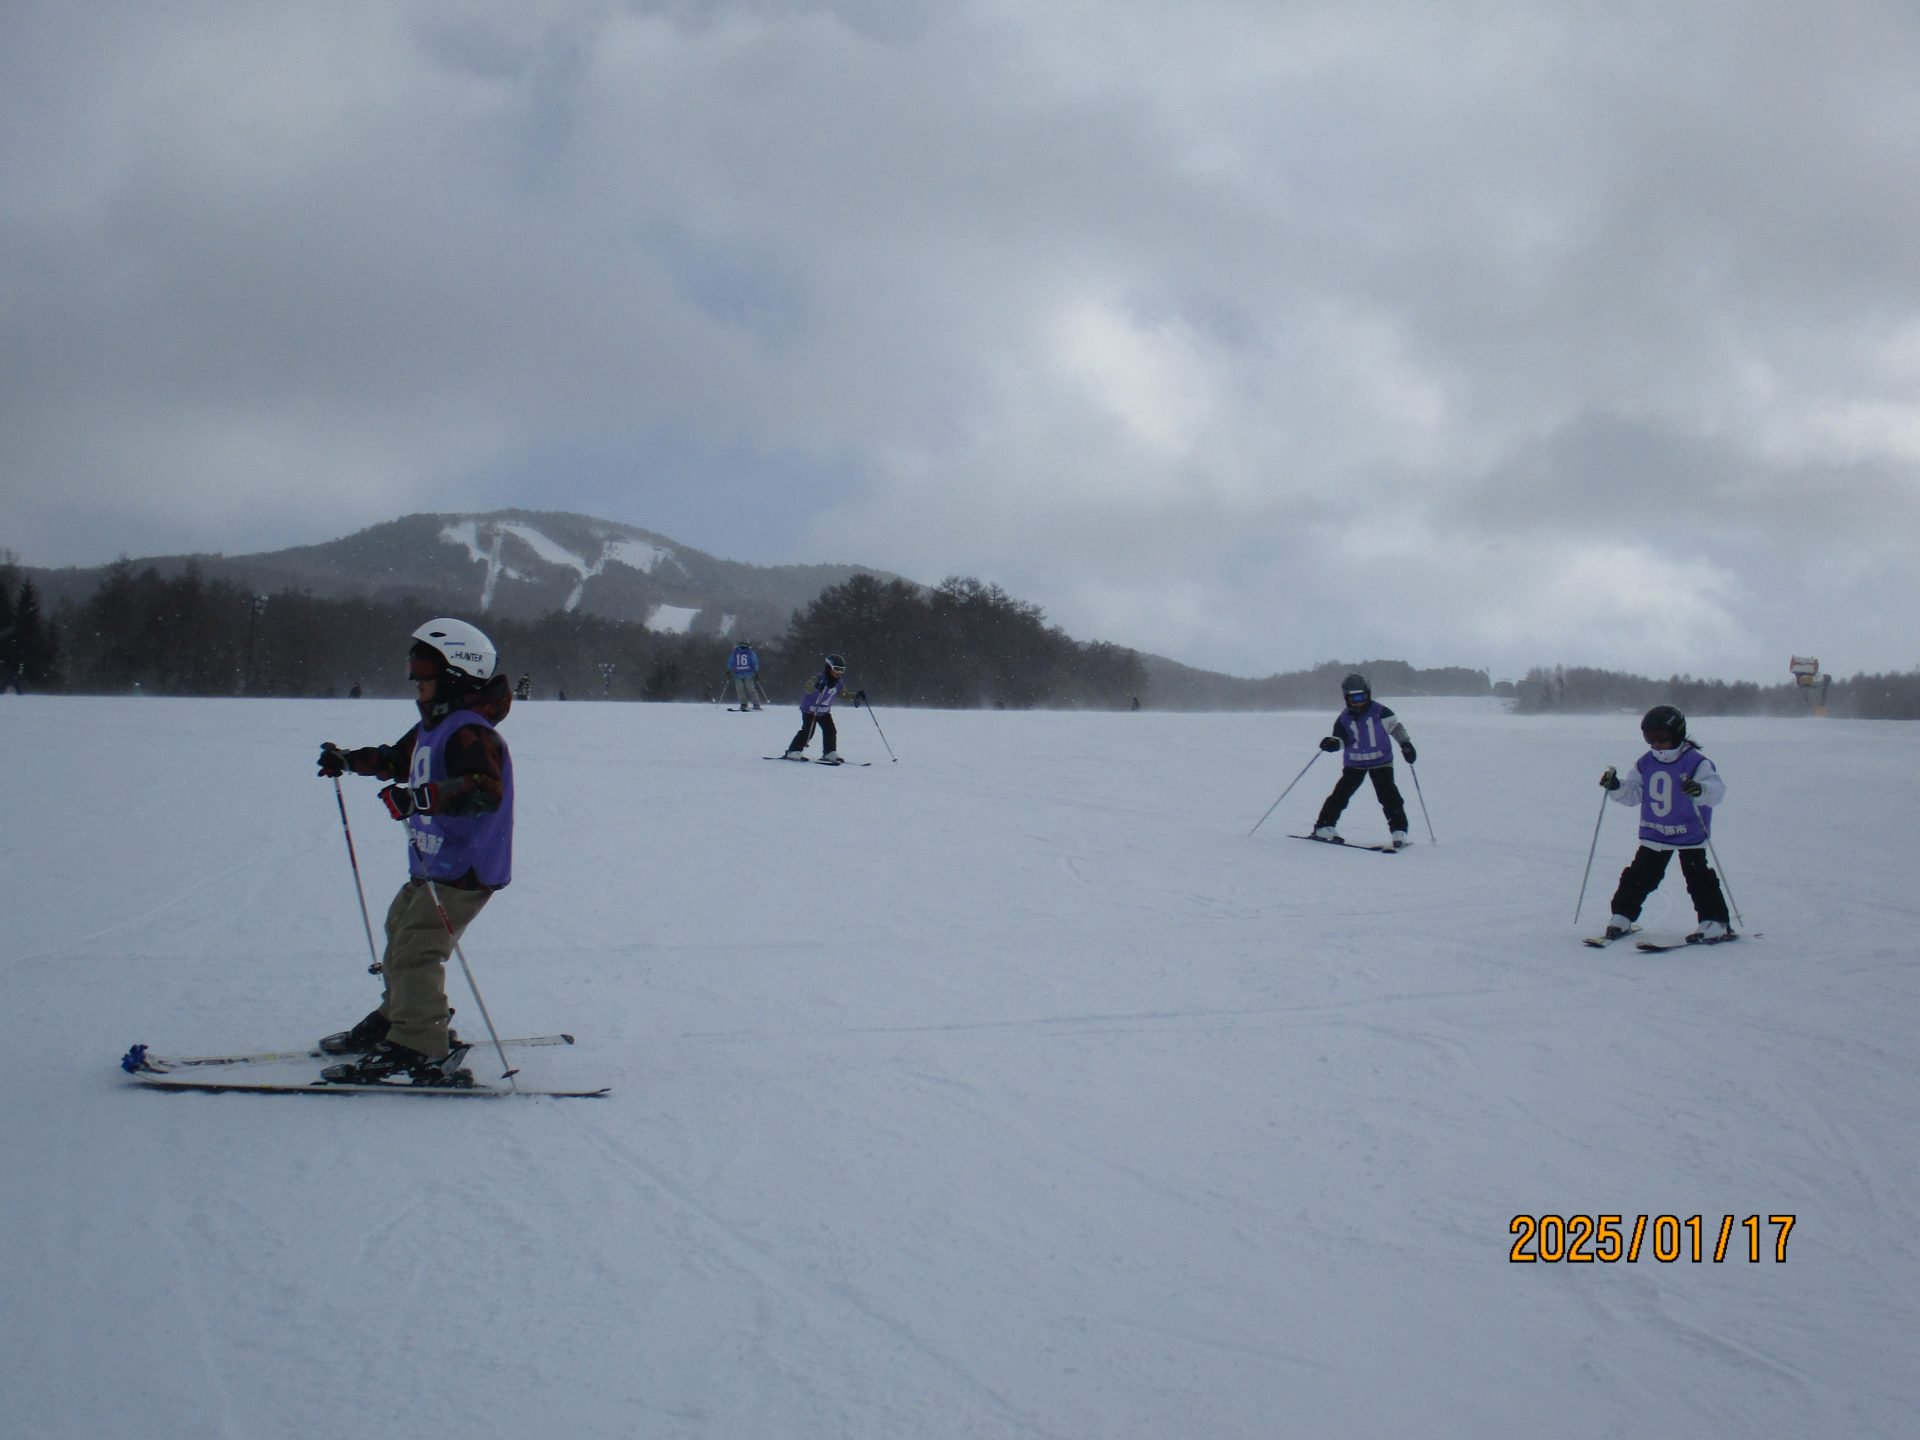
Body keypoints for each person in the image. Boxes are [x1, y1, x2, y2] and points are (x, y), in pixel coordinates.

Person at [314, 618, 515, 1085]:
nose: (415, 682)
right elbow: (395, 760)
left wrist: (422, 798)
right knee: (399, 932)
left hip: (465, 868)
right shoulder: (435, 726)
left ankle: (420, 1043)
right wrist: (348, 760)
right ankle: (401, 1015)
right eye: (415, 671)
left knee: (418, 950)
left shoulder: (472, 733)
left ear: (456, 675)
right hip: (433, 861)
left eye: (424, 673)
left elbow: (485, 790)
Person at [1597, 705, 1733, 943]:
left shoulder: (1696, 762)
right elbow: (1634, 793)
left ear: (1678, 733)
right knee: (1639, 877)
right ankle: (1622, 916)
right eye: (1650, 738)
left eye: (1662, 737)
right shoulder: (1646, 763)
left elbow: (1716, 790)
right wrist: (1616, 787)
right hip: (1655, 832)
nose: (1656, 744)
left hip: (1688, 832)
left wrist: (1700, 789)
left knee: (1698, 878)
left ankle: (1714, 921)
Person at [1310, 672, 1416, 848]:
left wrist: (1406, 744)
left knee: (1389, 796)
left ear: (1368, 694)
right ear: (1346, 698)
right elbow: (1341, 739)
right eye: (1352, 698)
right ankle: (1324, 826)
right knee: (1340, 795)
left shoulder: (1381, 712)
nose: (1357, 701)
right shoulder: (1344, 719)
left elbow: (1396, 728)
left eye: (1360, 697)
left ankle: (1399, 830)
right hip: (1354, 763)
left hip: (1381, 761)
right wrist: (1333, 743)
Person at [783, 653, 860, 762]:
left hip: (824, 711)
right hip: (810, 710)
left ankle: (829, 752)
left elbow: (843, 694)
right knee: (808, 731)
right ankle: (793, 751)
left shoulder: (839, 682)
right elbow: (808, 686)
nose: (839, 672)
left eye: (842, 670)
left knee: (830, 730)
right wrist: (816, 685)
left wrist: (856, 695)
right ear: (829, 667)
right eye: (836, 669)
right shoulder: (819, 678)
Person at [726, 640, 763, 710]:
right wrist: (728, 670)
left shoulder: (750, 652)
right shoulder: (736, 652)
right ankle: (743, 704)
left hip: (748, 674)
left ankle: (756, 704)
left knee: (750, 689)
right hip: (738, 674)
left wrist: (756, 671)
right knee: (739, 689)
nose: (744, 647)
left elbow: (755, 662)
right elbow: (730, 661)